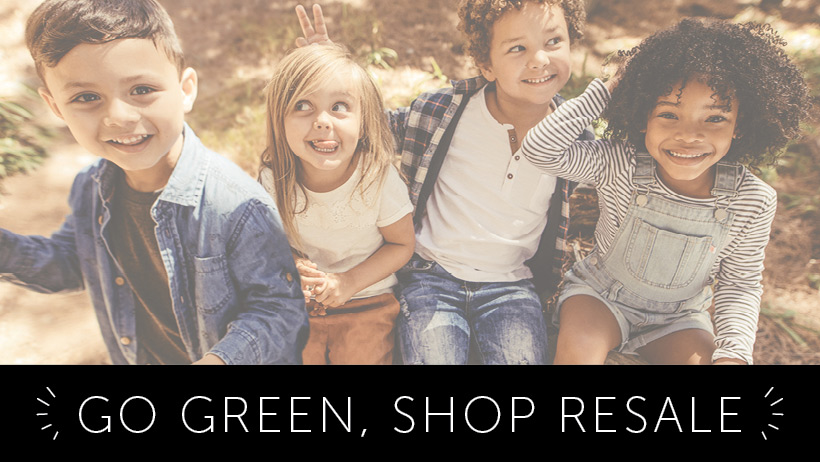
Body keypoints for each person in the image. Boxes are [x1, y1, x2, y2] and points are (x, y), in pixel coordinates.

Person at [0, 0, 309, 365]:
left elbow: (279, 310)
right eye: (86, 98)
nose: (119, 116)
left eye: (142, 90)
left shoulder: (235, 203)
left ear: (185, 89)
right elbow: (73, 262)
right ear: (56, 107)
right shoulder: (91, 188)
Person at [295, 0, 592, 365]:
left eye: (553, 42)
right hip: (432, 278)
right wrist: (331, 78)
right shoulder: (445, 112)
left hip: (511, 286)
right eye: (518, 48)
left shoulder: (576, 137)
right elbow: (371, 127)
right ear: (486, 64)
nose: (540, 60)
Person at [522, 18, 812, 364]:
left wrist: (733, 353)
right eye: (669, 115)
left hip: (679, 319)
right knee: (578, 354)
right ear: (643, 116)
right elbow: (540, 151)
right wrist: (607, 90)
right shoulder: (621, 164)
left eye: (715, 118)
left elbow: (740, 284)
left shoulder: (753, 199)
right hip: (599, 298)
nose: (689, 135)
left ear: (740, 125)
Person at [258, 44, 415, 365]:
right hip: (302, 304)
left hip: (368, 301)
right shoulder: (275, 178)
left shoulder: (376, 177)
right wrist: (294, 264)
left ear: (364, 121)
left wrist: (349, 283)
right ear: (279, 120)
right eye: (302, 105)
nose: (321, 121)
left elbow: (402, 244)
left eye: (339, 106)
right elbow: (270, 244)